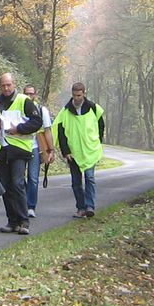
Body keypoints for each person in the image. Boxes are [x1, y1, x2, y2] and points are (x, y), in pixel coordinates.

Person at [0, 73, 42, 236]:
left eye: (9, 85)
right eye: (3, 85)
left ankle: (23, 221)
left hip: (20, 149)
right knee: (5, 186)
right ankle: (12, 221)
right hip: (2, 149)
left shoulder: (24, 101)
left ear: (14, 84)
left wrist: (19, 129)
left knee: (17, 183)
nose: (6, 88)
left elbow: (37, 122)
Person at [55, 82, 105, 218]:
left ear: (84, 93)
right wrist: (65, 152)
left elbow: (101, 126)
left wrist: (97, 143)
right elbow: (61, 132)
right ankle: (81, 207)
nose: (76, 98)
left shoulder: (94, 108)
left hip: (89, 151)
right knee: (76, 182)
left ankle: (90, 206)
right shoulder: (65, 111)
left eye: (79, 95)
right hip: (73, 152)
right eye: (74, 95)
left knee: (90, 178)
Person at [22, 84, 55, 218]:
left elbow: (47, 131)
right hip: (20, 147)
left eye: (31, 94)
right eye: (27, 94)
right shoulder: (19, 107)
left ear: (35, 95)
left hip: (36, 148)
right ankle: (22, 203)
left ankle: (30, 206)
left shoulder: (42, 110)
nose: (29, 96)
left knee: (33, 178)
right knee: (19, 178)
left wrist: (51, 150)